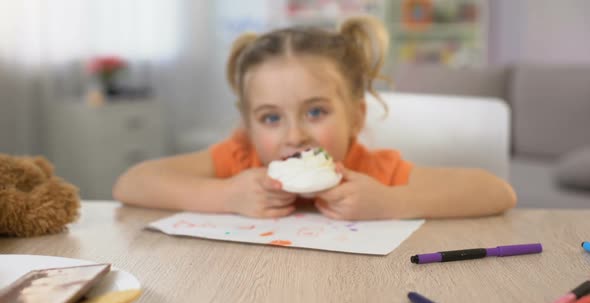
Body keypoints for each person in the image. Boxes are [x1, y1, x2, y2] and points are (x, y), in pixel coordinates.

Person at [113, 16, 516, 220]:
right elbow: (132, 183)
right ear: (248, 128)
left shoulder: (371, 171)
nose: (295, 135)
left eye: (316, 111)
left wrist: (392, 202)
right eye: (270, 118)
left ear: (356, 117)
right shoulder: (240, 161)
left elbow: (497, 192)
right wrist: (224, 196)